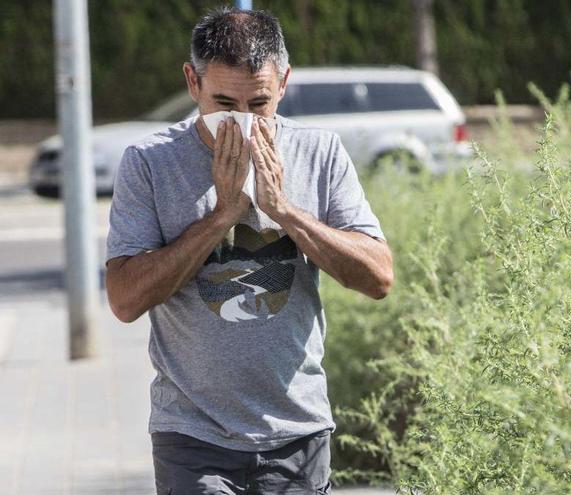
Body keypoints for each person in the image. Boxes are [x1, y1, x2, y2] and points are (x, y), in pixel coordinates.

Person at [104, 7, 394, 494]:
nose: (240, 122)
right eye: (222, 102)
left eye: (258, 103)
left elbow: (378, 277)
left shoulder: (319, 152)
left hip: (297, 431)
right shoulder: (149, 162)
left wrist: (284, 210)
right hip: (191, 435)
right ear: (191, 82)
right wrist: (221, 215)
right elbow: (124, 300)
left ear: (283, 83)